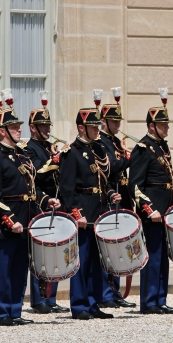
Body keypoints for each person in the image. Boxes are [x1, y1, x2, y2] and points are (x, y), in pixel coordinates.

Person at [0, 105, 61, 326]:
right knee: (4, 269)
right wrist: (8, 220)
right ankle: (0, 313)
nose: (19, 130)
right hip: (9, 223)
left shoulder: (20, 155)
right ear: (2, 131)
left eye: (18, 127)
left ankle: (15, 310)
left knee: (19, 269)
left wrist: (46, 200)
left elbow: (32, 189)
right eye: (14, 127)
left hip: (26, 220)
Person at [128, 89, 173, 314]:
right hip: (153, 212)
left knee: (163, 257)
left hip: (167, 210)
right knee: (153, 256)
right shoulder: (142, 149)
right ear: (151, 126)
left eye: (167, 124)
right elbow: (135, 186)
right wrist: (148, 210)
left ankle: (160, 299)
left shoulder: (162, 147)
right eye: (163, 125)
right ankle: (148, 302)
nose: (167, 128)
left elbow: (166, 179)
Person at [59, 107, 121, 320]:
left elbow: (104, 180)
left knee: (97, 261)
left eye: (98, 126)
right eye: (93, 127)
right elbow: (67, 189)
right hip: (84, 214)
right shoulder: (71, 152)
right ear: (81, 127)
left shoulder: (99, 149)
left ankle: (93, 303)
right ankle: (79, 305)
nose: (97, 130)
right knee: (81, 261)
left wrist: (111, 193)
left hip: (100, 212)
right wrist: (76, 213)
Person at [24, 95, 70, 315]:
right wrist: (56, 160)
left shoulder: (49, 147)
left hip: (56, 202)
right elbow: (37, 173)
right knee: (40, 254)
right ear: (33, 128)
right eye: (42, 126)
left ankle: (51, 297)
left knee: (55, 251)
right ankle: (38, 299)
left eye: (48, 126)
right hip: (40, 203)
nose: (46, 129)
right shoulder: (29, 148)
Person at [97, 88, 136, 309]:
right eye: (114, 121)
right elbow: (112, 169)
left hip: (122, 197)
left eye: (118, 121)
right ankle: (105, 291)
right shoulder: (102, 143)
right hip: (109, 195)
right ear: (104, 122)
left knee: (119, 247)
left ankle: (115, 291)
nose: (118, 125)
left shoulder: (113, 142)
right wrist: (129, 157)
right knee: (108, 247)